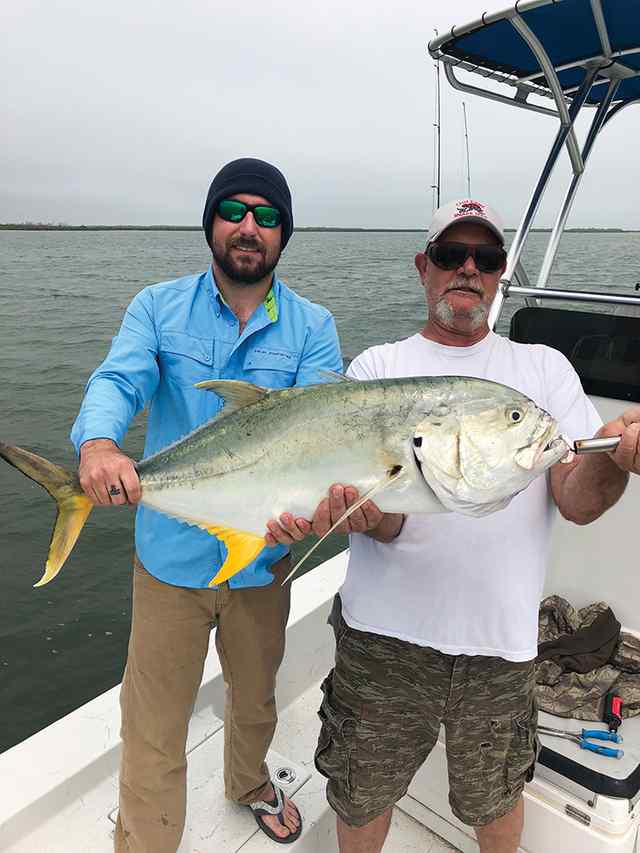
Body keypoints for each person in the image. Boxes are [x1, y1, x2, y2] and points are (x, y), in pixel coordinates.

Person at [266, 198, 640, 853]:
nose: (468, 268)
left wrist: (617, 458)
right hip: (382, 637)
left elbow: (578, 498)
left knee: (495, 798)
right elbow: (379, 519)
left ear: (501, 273)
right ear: (424, 266)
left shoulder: (543, 372)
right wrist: (356, 513)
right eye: (451, 254)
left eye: (486, 257)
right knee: (360, 793)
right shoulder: (377, 370)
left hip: (498, 644)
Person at [70, 157, 343, 851]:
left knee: (254, 702)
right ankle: (145, 841)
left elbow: (320, 435)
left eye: (268, 215)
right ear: (211, 223)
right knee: (154, 726)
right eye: (234, 210)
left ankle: (247, 781)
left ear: (284, 234)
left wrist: (309, 511)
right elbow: (119, 378)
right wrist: (100, 443)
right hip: (171, 557)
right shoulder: (158, 306)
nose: (249, 226)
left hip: (265, 563)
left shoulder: (314, 328)